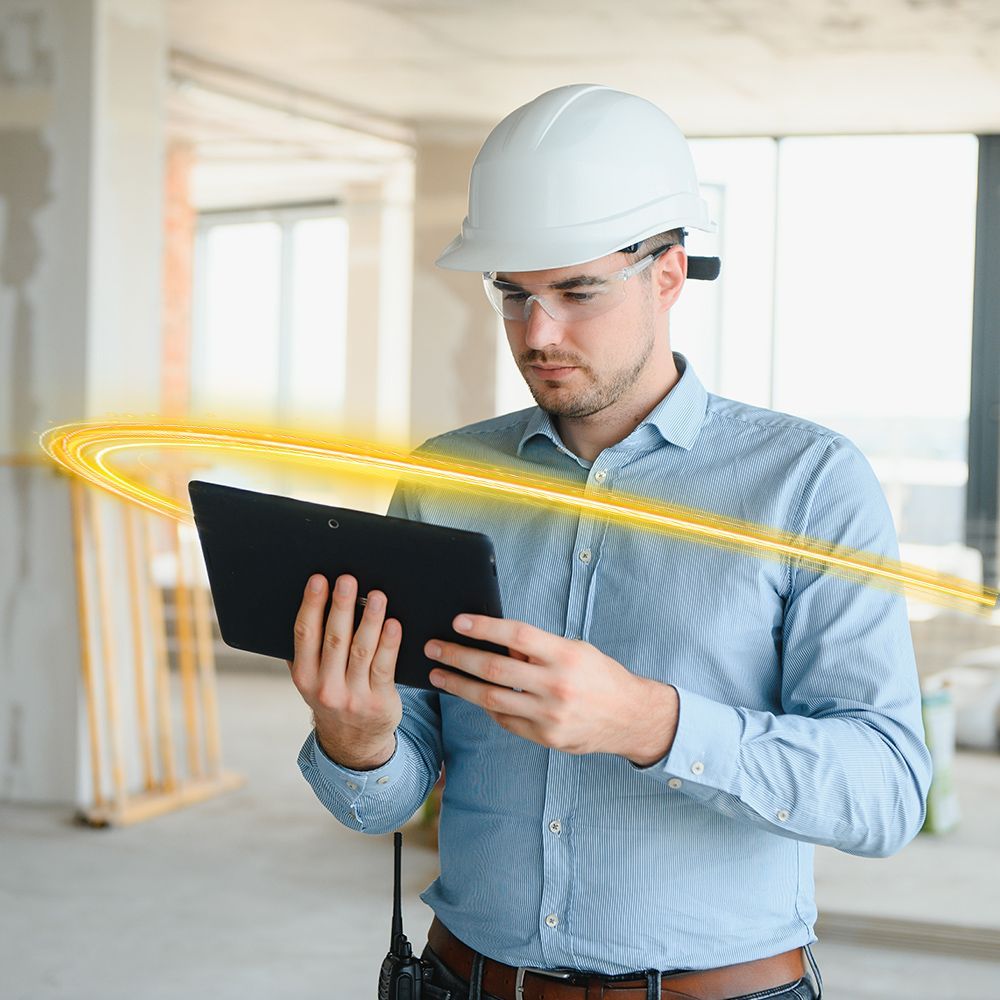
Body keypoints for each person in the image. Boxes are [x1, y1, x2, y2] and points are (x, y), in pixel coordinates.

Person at [289, 84, 931, 1000]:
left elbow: (886, 794)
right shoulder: (444, 480)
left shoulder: (808, 482)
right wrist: (357, 740)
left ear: (668, 273)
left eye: (577, 290)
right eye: (512, 295)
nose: (536, 335)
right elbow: (386, 798)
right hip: (463, 981)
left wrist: (649, 723)